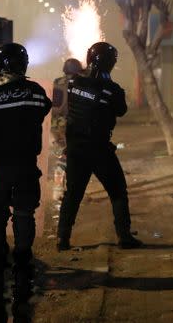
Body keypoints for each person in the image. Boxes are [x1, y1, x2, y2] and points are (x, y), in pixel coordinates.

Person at [0, 43, 52, 306]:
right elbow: (44, 109)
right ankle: (23, 259)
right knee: (24, 212)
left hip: (1, 166)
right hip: (27, 164)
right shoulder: (36, 93)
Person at [56, 42, 142, 251]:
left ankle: (62, 239)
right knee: (118, 192)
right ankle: (124, 237)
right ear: (111, 63)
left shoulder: (75, 83)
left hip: (76, 149)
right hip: (100, 150)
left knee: (72, 195)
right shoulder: (112, 90)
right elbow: (121, 110)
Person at [50, 58, 84, 200]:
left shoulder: (56, 83)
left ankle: (58, 190)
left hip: (56, 126)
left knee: (62, 156)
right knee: (73, 159)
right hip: (72, 126)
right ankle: (67, 191)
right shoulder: (81, 84)